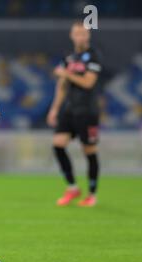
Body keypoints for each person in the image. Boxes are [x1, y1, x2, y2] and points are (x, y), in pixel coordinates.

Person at [47, 21, 102, 207]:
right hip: (69, 110)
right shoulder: (69, 57)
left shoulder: (93, 57)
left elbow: (88, 83)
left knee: (89, 151)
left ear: (88, 36)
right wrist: (55, 108)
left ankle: (92, 194)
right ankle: (72, 187)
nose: (80, 37)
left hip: (88, 111)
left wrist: (65, 73)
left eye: (83, 33)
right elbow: (62, 86)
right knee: (58, 145)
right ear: (72, 35)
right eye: (77, 33)